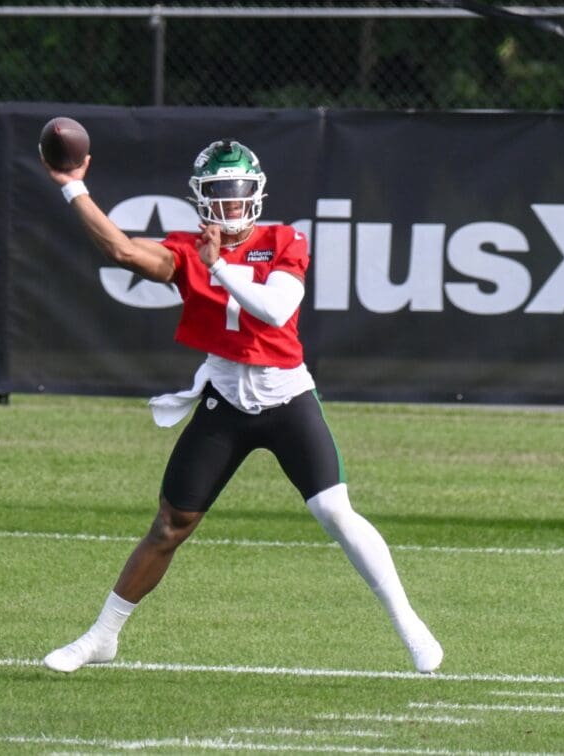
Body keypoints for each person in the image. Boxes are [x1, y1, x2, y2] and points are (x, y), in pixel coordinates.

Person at [40, 138, 443, 674]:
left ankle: (408, 624)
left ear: (256, 194)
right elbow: (122, 250)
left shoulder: (285, 239)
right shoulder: (186, 249)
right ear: (201, 199)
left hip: (285, 396)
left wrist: (221, 267)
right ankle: (102, 636)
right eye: (219, 195)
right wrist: (74, 188)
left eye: (238, 194)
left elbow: (275, 310)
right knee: (169, 525)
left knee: (333, 510)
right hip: (226, 398)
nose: (230, 206)